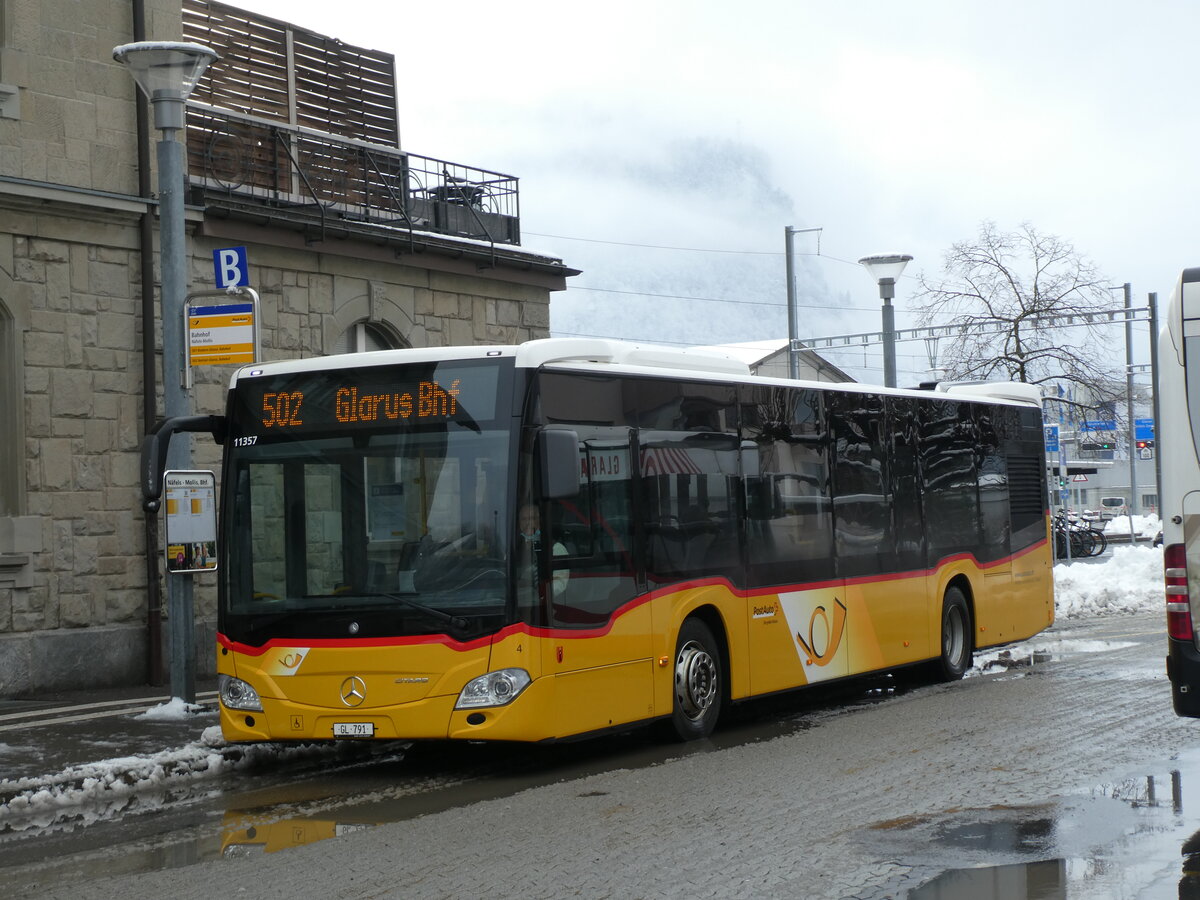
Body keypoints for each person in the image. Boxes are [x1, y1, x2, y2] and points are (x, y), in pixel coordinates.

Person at [518, 503, 569, 597]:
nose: (528, 523)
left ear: (540, 521)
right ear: (519, 523)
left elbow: (560, 584)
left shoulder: (556, 548)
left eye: (532, 518)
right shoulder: (514, 549)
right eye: (524, 519)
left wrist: (537, 592)